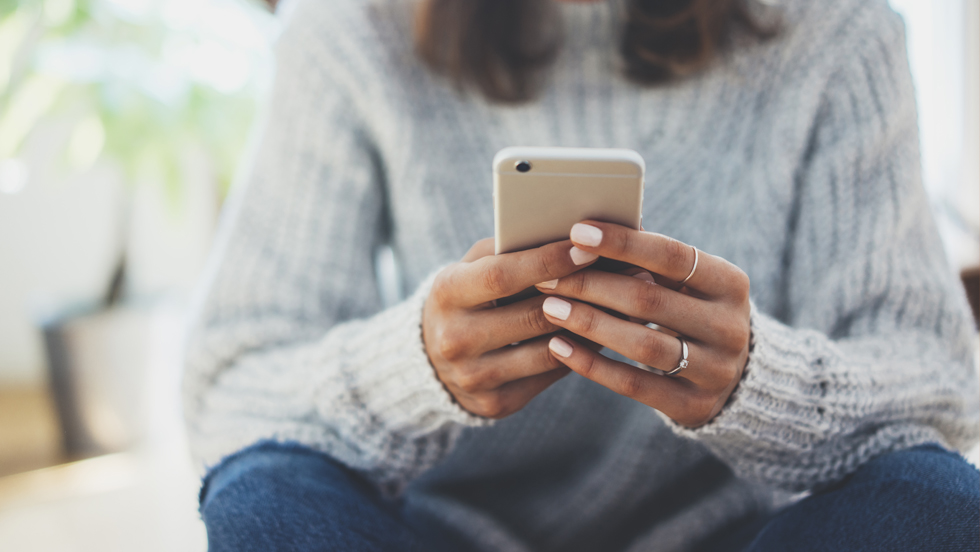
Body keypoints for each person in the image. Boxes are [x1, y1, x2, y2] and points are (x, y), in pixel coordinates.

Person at [183, 0, 980, 550]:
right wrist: (413, 367)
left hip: (732, 536)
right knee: (264, 499)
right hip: (443, 534)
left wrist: (758, 384)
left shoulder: (835, 25)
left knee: (934, 504)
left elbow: (937, 386)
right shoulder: (350, 25)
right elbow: (231, 390)